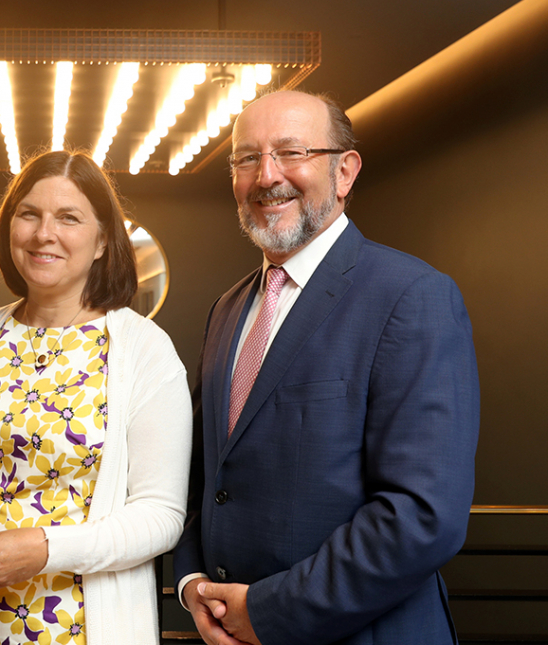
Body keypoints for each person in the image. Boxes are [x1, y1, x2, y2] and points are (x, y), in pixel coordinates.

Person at [173, 90, 480, 645]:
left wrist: (265, 613)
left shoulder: (412, 297)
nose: (267, 176)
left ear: (345, 171)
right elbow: (207, 475)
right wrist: (193, 582)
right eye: (247, 157)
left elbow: (422, 516)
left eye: (292, 153)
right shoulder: (226, 310)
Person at [0, 150, 193, 645]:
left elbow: (161, 516)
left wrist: (44, 548)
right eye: (29, 214)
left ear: (103, 239)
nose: (44, 233)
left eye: (69, 217)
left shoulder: (144, 349)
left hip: (79, 629)